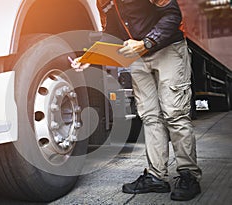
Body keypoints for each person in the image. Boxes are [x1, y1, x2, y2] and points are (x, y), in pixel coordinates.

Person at [71, 0, 202, 201]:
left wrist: (146, 43)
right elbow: (113, 31)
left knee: (175, 114)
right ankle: (156, 176)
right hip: (139, 57)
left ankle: (188, 175)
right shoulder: (104, 1)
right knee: (150, 117)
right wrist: (91, 57)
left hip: (168, 49)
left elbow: (172, 15)